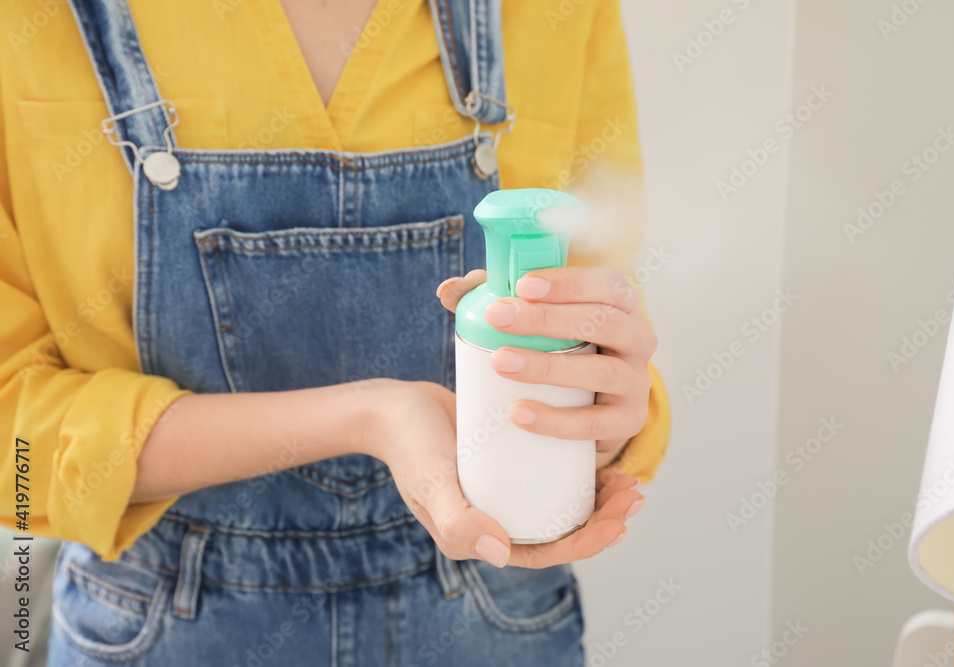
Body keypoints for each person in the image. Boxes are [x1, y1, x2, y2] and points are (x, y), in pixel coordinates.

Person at [0, 0, 671, 664]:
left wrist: (598, 415)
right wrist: (368, 415)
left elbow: (598, 313)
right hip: (165, 627)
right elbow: (14, 442)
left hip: (490, 616)